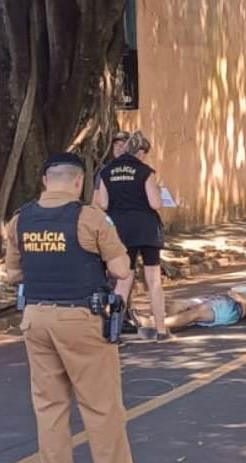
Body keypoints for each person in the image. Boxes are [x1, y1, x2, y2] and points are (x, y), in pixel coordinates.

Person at [5, 152, 144, 463]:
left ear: (45, 181)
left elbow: (13, 274)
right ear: (79, 182)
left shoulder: (20, 220)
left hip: (35, 318)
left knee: (49, 406)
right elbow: (121, 268)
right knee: (100, 405)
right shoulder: (90, 218)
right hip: (81, 318)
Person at [96, 131, 172, 342]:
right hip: (146, 230)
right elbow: (156, 203)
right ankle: (161, 331)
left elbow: (101, 204)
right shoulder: (144, 171)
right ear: (139, 152)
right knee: (153, 280)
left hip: (119, 230)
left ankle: (115, 331)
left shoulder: (107, 171)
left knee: (123, 280)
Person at [139, 286, 246, 334]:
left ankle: (153, 323)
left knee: (198, 311)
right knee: (177, 305)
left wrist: (242, 300)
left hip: (233, 307)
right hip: (221, 298)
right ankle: (167, 328)